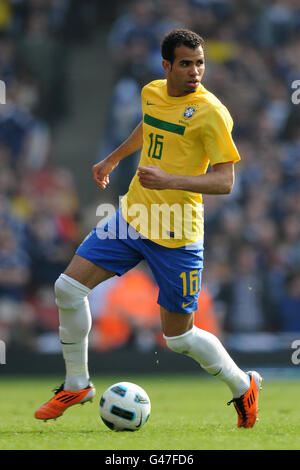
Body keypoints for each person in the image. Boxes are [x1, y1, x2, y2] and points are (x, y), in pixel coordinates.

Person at [34, 29, 262, 428]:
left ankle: (243, 385)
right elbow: (149, 127)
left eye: (200, 63)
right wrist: (112, 159)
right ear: (167, 66)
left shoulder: (211, 112)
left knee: (178, 338)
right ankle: (77, 383)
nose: (195, 72)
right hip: (134, 217)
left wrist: (170, 180)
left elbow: (225, 181)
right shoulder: (152, 92)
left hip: (177, 232)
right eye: (186, 63)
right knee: (67, 288)